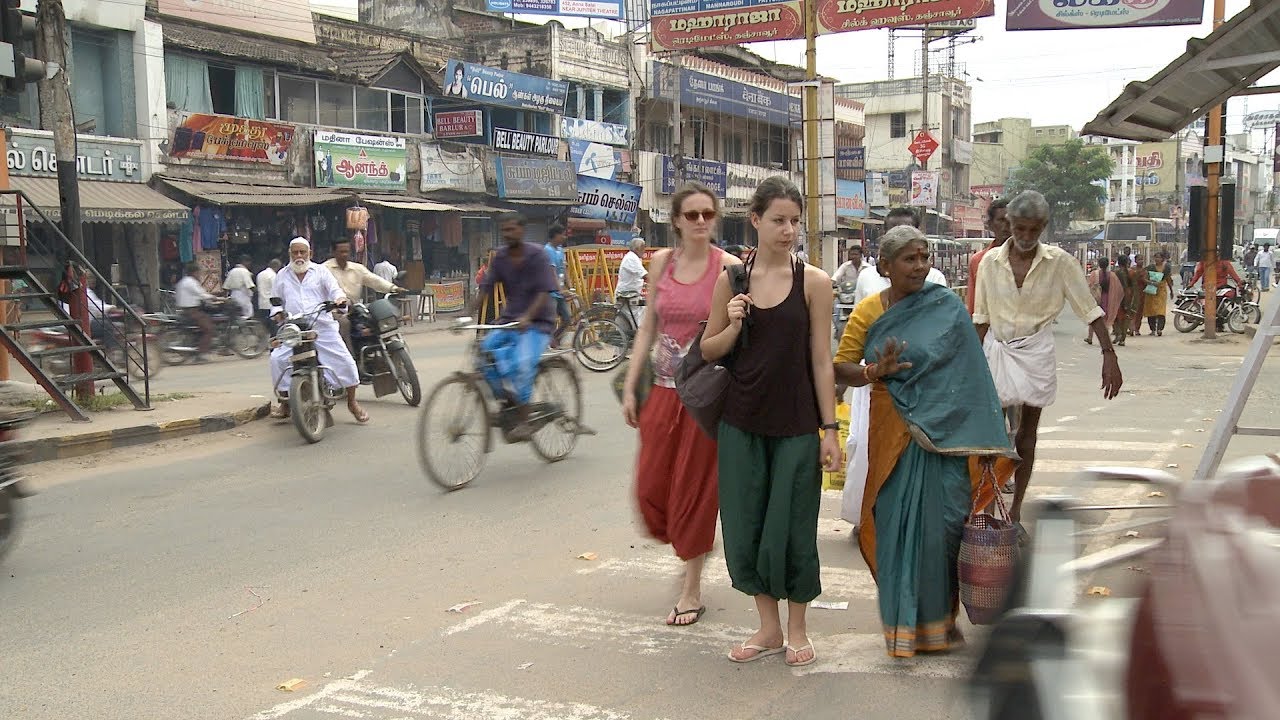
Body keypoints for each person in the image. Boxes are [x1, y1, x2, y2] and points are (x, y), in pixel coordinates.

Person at [834, 225, 1013, 658]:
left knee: (945, 529)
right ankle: (903, 629)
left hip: (947, 436)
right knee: (896, 527)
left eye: (924, 256)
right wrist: (876, 372)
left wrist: (987, 437)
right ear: (885, 265)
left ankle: (941, 625)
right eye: (910, 259)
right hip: (893, 431)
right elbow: (841, 368)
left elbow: (972, 376)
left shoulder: (947, 308)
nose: (920, 266)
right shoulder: (869, 313)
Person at [701, 177, 841, 667]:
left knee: (794, 526)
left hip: (798, 424)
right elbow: (708, 349)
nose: (788, 231)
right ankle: (767, 627)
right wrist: (735, 321)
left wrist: (830, 430)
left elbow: (822, 360)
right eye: (778, 220)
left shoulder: (816, 282)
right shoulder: (731, 280)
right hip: (741, 423)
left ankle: (798, 629)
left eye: (795, 221)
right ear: (755, 220)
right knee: (747, 526)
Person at [621, 182, 739, 629]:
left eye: (708, 214)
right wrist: (633, 385)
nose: (701, 222)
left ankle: (692, 587)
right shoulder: (660, 264)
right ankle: (692, 545)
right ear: (675, 221)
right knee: (651, 491)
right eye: (692, 215)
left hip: (704, 399)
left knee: (694, 490)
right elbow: (648, 327)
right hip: (663, 391)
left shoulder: (727, 268)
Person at [973, 190, 1123, 526]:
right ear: (1008, 224)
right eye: (1020, 229)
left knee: (1028, 434)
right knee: (989, 437)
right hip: (997, 349)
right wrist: (966, 366)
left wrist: (1108, 354)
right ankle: (984, 508)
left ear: (1043, 227)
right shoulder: (989, 263)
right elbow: (980, 318)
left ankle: (1014, 510)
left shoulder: (1060, 262)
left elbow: (1089, 310)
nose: (1026, 237)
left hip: (1036, 350)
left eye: (1033, 230)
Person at [472, 213, 557, 442]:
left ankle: (525, 418)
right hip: (509, 321)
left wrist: (529, 317)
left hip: (537, 323)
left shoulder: (537, 255)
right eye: (504, 231)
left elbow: (544, 291)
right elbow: (486, 287)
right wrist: (469, 313)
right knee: (484, 355)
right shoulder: (500, 257)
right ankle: (509, 402)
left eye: (511, 230)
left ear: (521, 229)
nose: (507, 235)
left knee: (521, 364)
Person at [268, 238, 367, 424]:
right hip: (295, 329)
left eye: (302, 252)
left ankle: (352, 403)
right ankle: (285, 404)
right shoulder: (282, 275)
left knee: (345, 361)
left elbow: (335, 291)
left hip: (322, 326)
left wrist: (339, 301)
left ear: (310, 254)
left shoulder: (321, 272)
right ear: (290, 254)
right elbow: (275, 301)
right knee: (277, 359)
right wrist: (277, 313)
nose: (298, 256)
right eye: (295, 253)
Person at [323, 237, 403, 355]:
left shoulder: (357, 268)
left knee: (377, 319)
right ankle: (350, 359)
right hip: (335, 312)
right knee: (345, 324)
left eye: (347, 251)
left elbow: (374, 280)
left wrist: (393, 288)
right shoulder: (324, 269)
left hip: (355, 309)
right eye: (341, 252)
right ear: (333, 252)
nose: (345, 254)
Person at [966, 198, 1012, 314]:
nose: (1007, 226)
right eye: (1001, 220)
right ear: (990, 225)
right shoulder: (978, 260)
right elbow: (973, 304)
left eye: (1011, 220)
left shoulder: (1026, 259)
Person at [885, 207, 948, 287]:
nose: (901, 238)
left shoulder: (934, 278)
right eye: (894, 232)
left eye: (907, 233)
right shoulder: (867, 277)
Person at [174, 262, 215, 363]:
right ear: (194, 272)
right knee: (209, 329)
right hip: (192, 311)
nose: (199, 274)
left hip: (186, 310)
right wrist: (215, 298)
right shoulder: (191, 282)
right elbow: (201, 294)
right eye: (198, 272)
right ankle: (200, 354)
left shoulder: (183, 281)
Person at [543, 224, 574, 347]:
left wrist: (570, 287)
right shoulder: (547, 251)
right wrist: (560, 290)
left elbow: (564, 269)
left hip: (559, 291)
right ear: (555, 235)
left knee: (567, 319)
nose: (564, 237)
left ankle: (554, 339)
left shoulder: (560, 250)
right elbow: (552, 272)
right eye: (562, 234)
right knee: (550, 320)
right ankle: (548, 344)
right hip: (550, 292)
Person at [1142, 251, 1176, 336]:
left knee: (1161, 310)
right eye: (1156, 257)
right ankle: (1153, 329)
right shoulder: (1150, 267)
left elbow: (1168, 279)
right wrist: (1151, 283)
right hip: (1151, 290)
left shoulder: (1166, 269)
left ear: (1163, 259)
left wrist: (1171, 291)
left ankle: (1160, 329)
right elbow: (1144, 278)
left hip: (1161, 290)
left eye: (1159, 257)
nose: (1157, 259)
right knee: (1151, 310)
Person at [257, 259, 281, 332]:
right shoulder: (273, 275)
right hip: (270, 305)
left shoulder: (260, 274)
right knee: (273, 328)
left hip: (261, 303)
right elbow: (276, 290)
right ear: (277, 267)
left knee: (264, 327)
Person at [1128, 255, 1146, 336]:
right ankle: (1131, 327)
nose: (1141, 261)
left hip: (1142, 293)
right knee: (1132, 310)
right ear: (1135, 261)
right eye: (1139, 259)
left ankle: (1137, 329)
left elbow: (1145, 281)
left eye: (1142, 259)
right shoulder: (1132, 270)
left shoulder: (1144, 270)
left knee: (1140, 312)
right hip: (1133, 292)